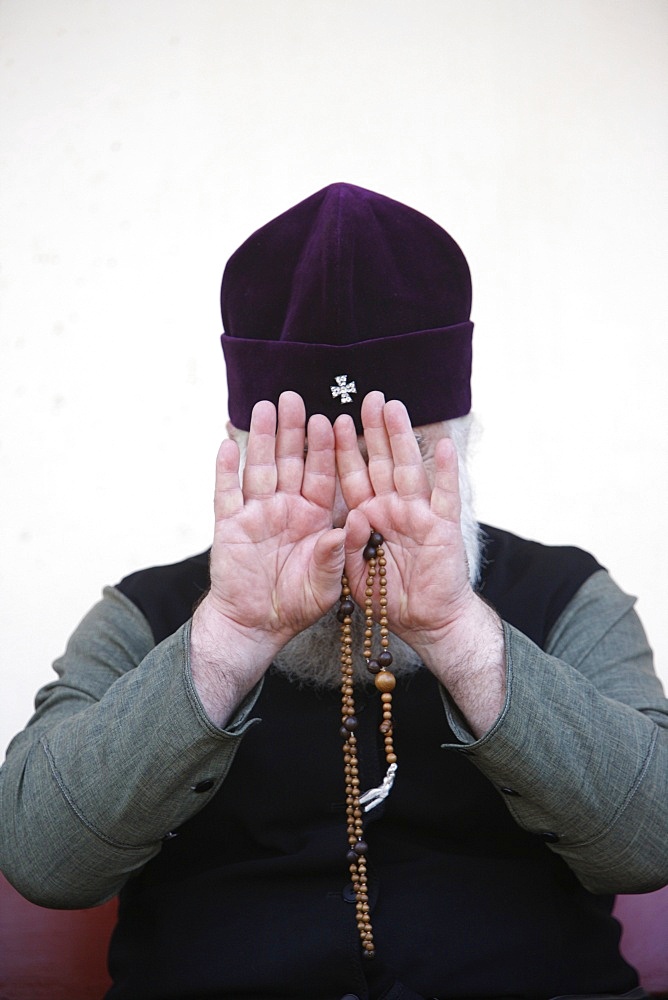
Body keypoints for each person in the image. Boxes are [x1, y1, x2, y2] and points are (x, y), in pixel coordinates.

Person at [1, 182, 666, 1000]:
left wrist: (460, 634)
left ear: (462, 447)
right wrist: (229, 639)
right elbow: (41, 858)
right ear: (244, 457)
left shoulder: (571, 596)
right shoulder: (143, 615)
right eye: (311, 467)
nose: (357, 511)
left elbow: (652, 840)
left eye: (399, 457)